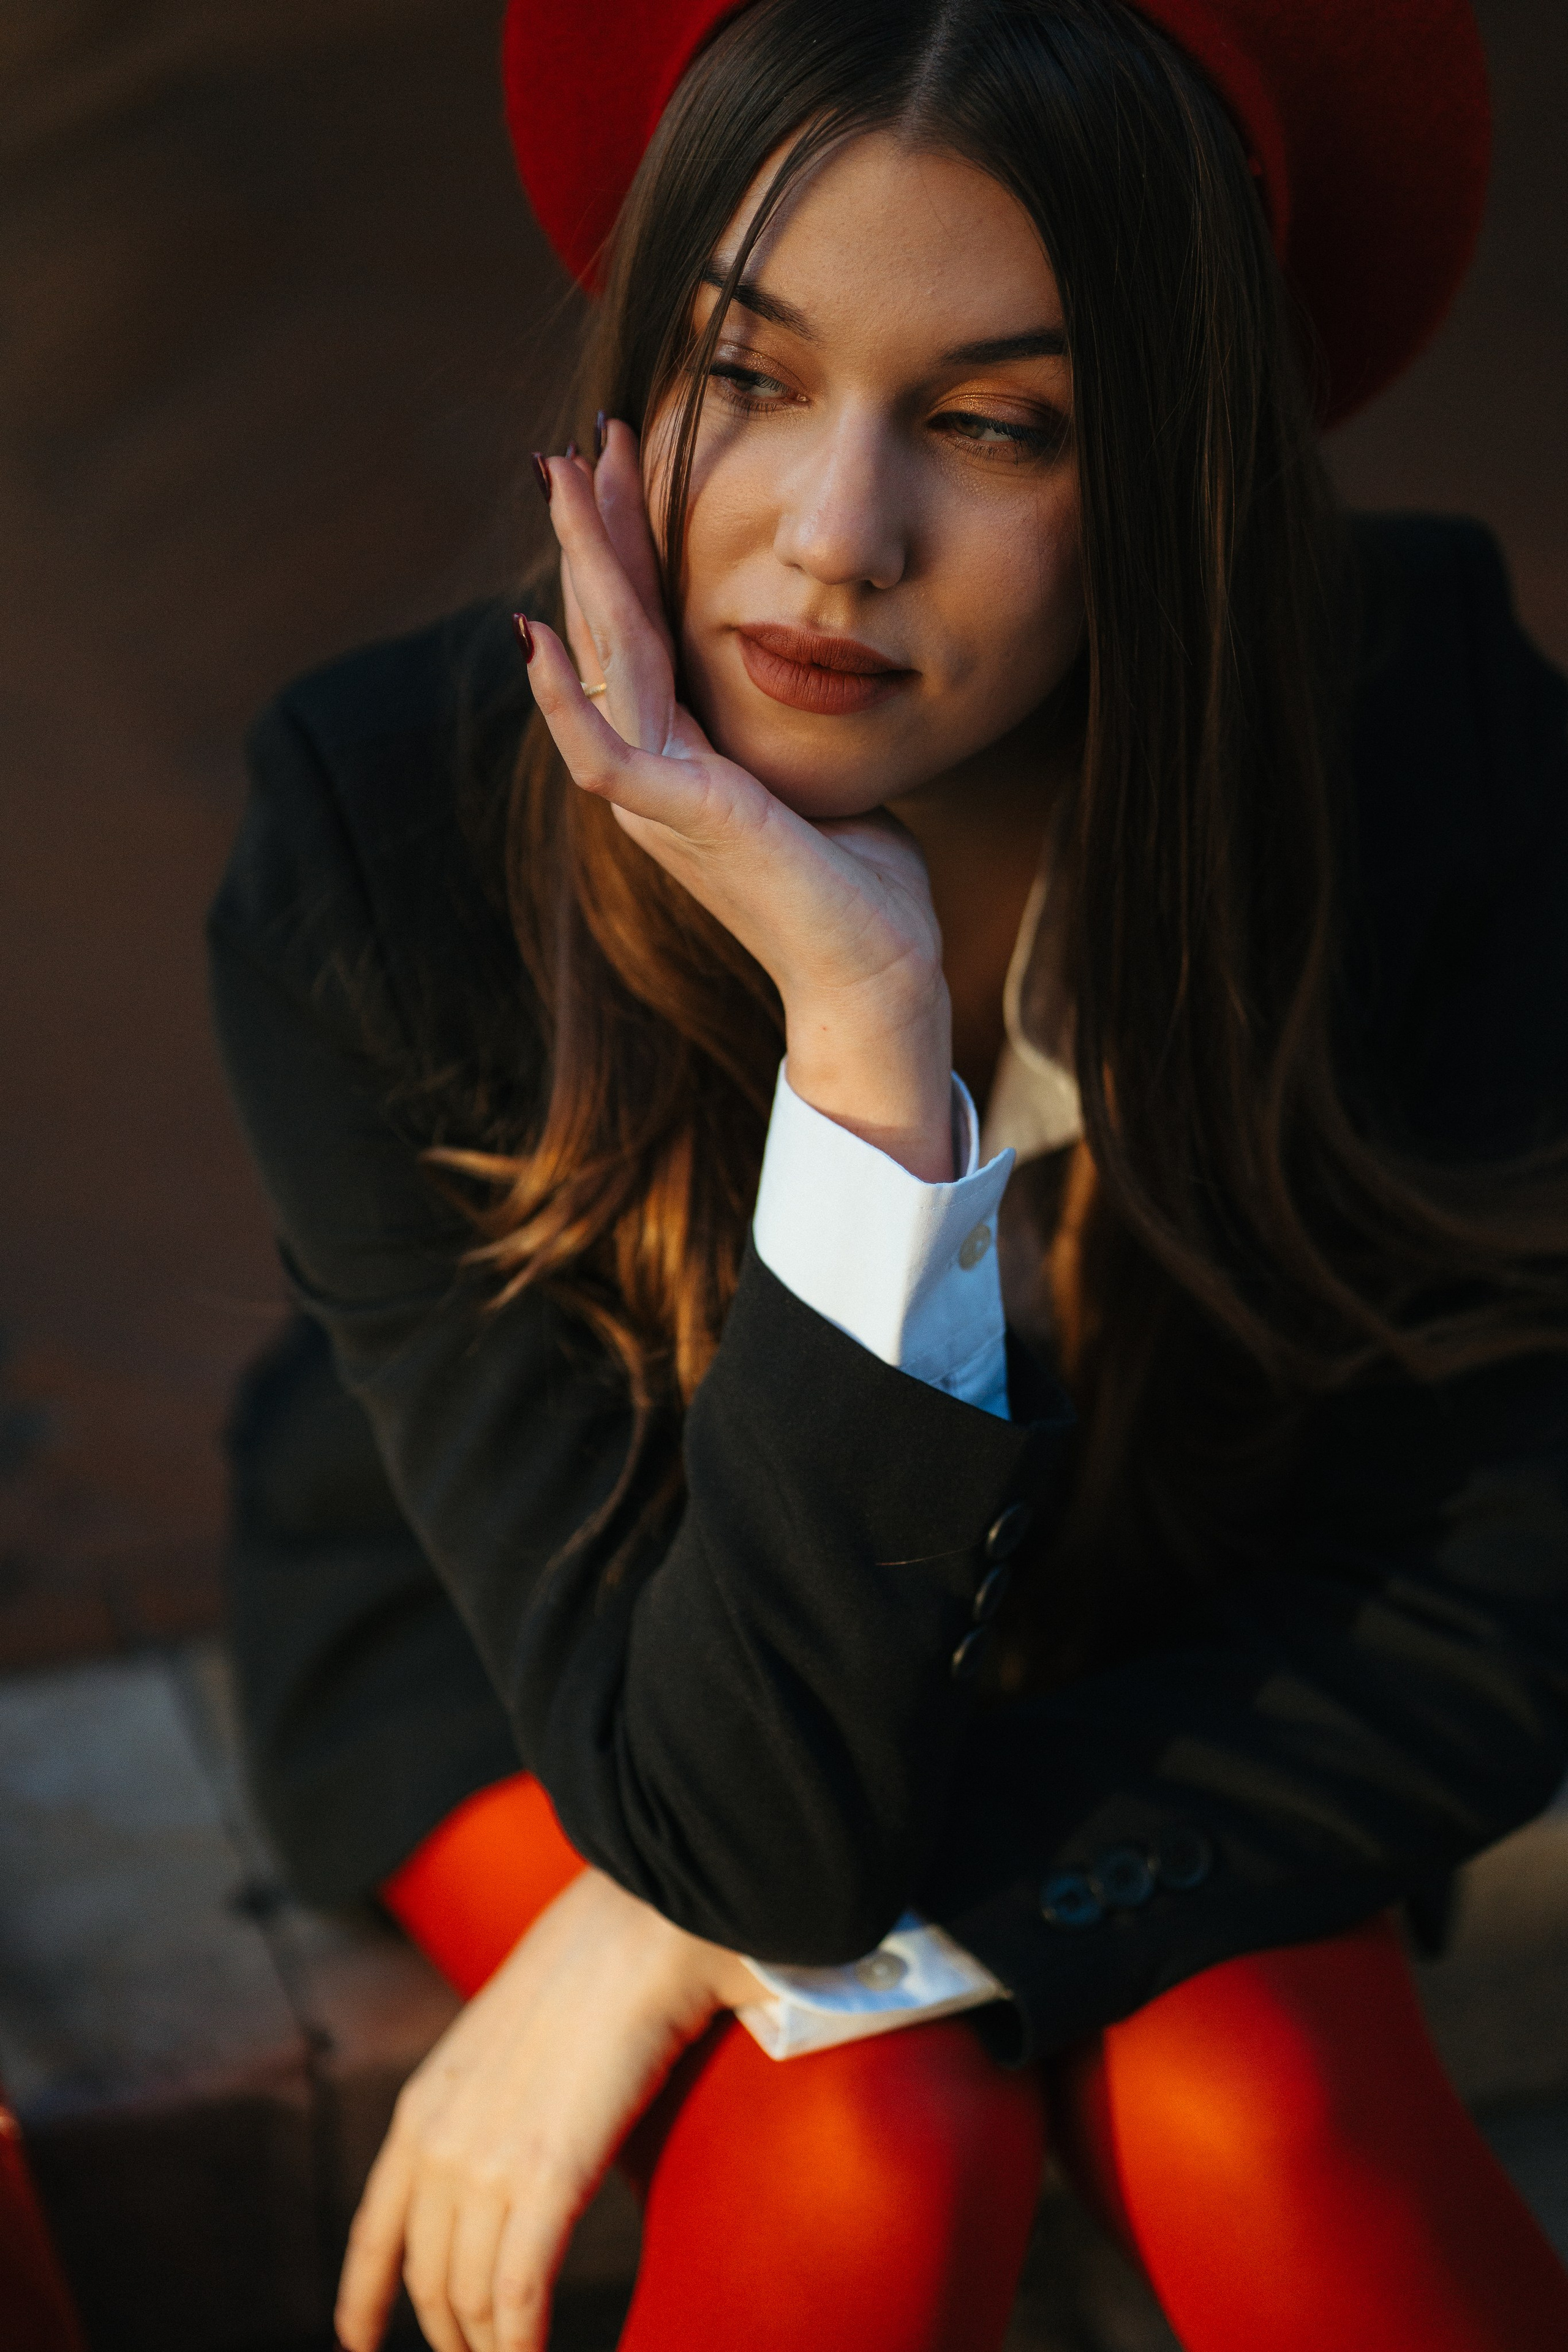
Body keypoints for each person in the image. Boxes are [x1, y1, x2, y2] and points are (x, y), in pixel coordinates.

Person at [208, 0, 1568, 2346]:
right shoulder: (385, 847)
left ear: (1174, 470)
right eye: (750, 374)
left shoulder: (1416, 728)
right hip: (566, 1648)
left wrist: (662, 1934)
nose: (835, 544)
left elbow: (1500, 1595)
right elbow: (746, 1822)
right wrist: (862, 1044)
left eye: (993, 425)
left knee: (1262, 2086)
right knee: (868, 2116)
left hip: (1186, 1635)